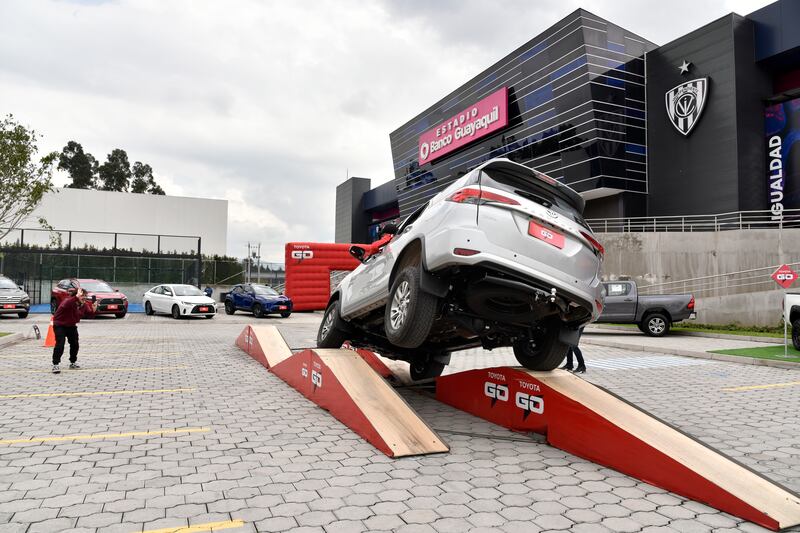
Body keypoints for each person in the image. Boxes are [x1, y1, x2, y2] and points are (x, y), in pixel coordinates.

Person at [51, 288, 97, 374]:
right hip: (60, 324)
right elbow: (67, 304)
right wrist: (76, 297)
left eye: (85, 296)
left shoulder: (84, 305)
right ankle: (55, 364)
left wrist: (94, 310)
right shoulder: (68, 301)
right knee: (60, 344)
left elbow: (89, 314)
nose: (84, 298)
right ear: (76, 295)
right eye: (82, 296)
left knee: (75, 344)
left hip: (71, 325)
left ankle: (73, 362)